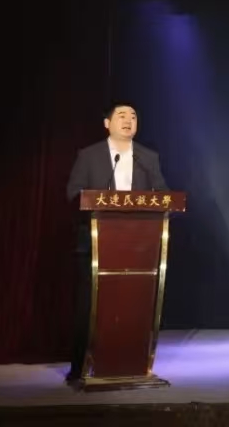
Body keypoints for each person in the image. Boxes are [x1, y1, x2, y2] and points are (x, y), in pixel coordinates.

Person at [64, 102, 168, 383]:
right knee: (89, 308)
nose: (128, 120)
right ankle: (80, 368)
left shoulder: (148, 157)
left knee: (134, 306)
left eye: (133, 116)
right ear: (107, 124)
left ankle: (131, 364)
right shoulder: (89, 155)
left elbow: (164, 195)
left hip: (138, 249)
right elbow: (73, 193)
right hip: (96, 246)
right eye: (121, 115)